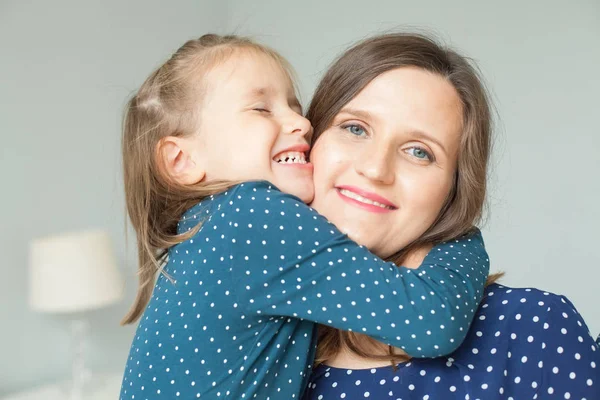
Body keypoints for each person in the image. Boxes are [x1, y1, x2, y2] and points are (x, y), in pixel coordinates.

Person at [118, 34, 490, 399]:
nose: (303, 124)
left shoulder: (205, 230)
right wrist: (461, 237)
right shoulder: (250, 216)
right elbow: (431, 322)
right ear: (182, 161)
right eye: (262, 109)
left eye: (294, 106)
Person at [302, 32, 600, 399]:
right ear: (308, 139)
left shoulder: (530, 329)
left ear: (453, 190)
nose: (376, 169)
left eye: (419, 152)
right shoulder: (256, 341)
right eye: (355, 128)